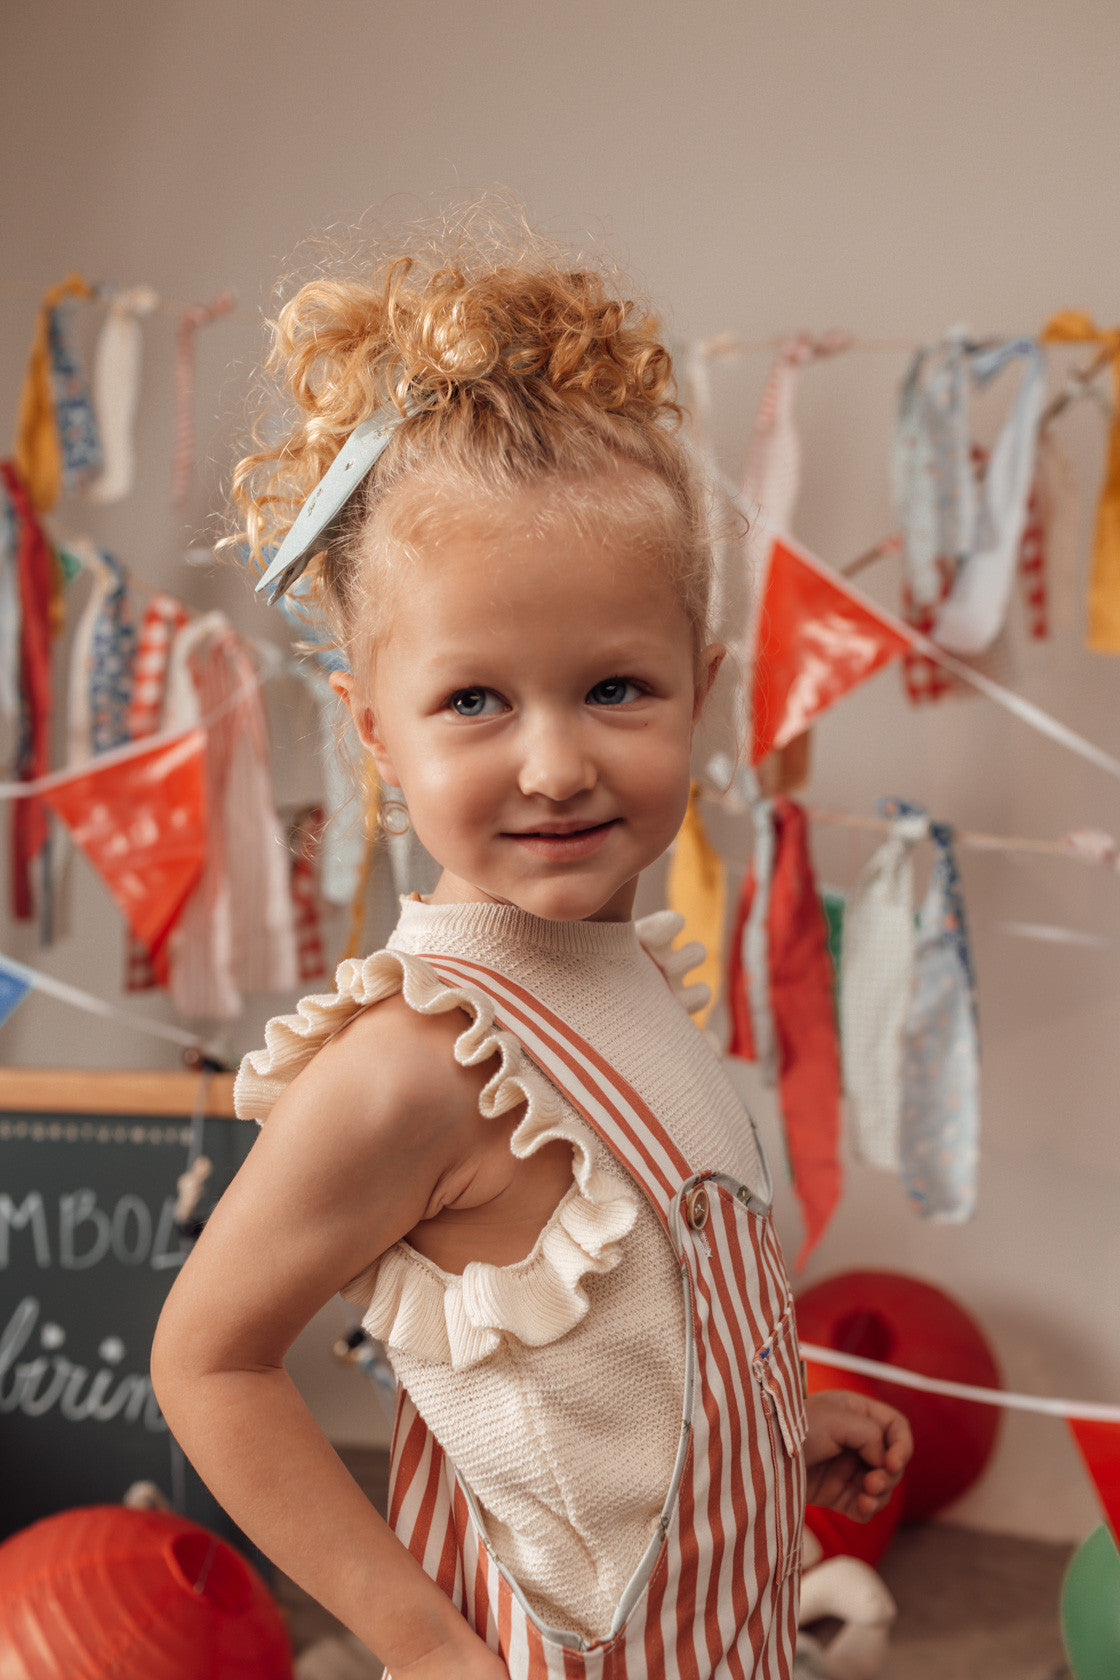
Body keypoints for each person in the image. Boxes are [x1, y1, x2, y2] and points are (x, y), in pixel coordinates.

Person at [151, 220, 911, 1680]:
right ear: (377, 734)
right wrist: (416, 1639)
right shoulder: (416, 1065)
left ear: (705, 688)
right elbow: (207, 1359)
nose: (555, 764)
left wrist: (756, 1430)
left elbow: (618, 1332)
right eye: (476, 702)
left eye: (614, 687)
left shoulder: (620, 973)